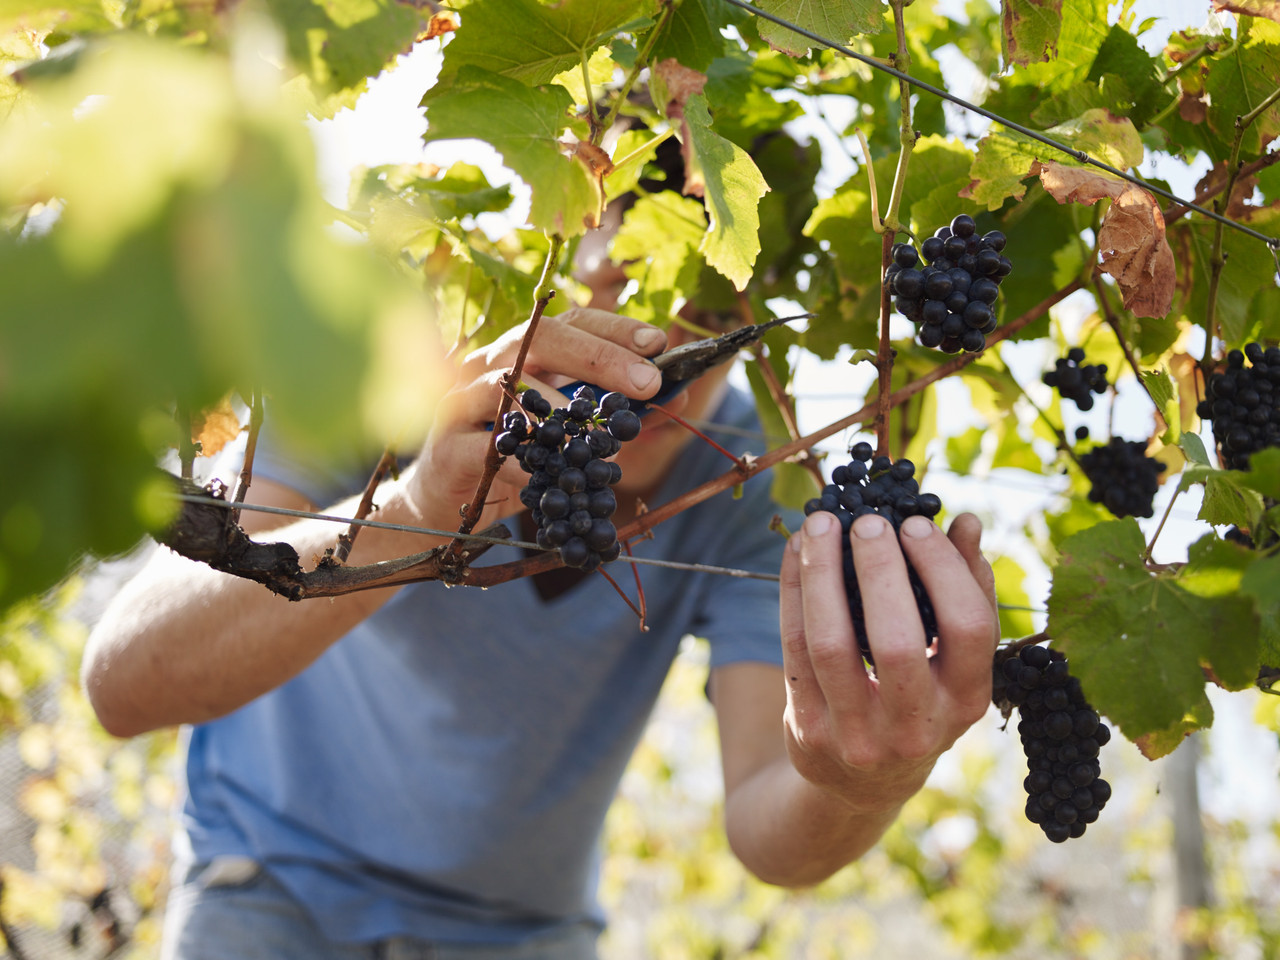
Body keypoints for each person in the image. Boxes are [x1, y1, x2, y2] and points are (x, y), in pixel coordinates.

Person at [81, 201, 1000, 958]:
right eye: (625, 297)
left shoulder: (753, 493)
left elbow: (771, 816)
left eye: (709, 326)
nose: (658, 379)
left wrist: (863, 783)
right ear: (550, 280)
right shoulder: (387, 373)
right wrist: (422, 500)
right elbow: (124, 682)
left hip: (523, 935)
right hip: (270, 889)